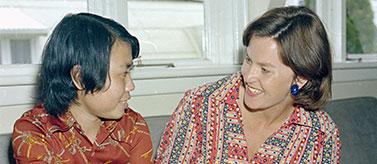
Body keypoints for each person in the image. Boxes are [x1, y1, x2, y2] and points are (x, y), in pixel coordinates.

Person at [155, 6, 341, 163]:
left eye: (265, 69)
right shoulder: (200, 106)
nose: (248, 76)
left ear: (300, 78)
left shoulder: (320, 135)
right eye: (248, 60)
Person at [12, 13, 153, 163]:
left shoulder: (133, 126)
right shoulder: (34, 132)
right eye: (123, 73)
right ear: (80, 78)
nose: (131, 85)